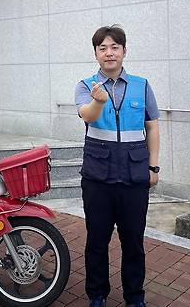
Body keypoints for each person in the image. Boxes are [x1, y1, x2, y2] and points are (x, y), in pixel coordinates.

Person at [74, 25, 160, 307]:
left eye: (114, 47)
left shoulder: (142, 85)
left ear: (124, 51)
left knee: (133, 242)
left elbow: (153, 126)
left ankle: (135, 297)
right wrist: (98, 102)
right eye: (102, 48)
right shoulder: (86, 86)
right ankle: (97, 295)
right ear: (96, 54)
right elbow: (86, 115)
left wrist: (154, 167)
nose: (109, 53)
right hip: (98, 178)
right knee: (97, 242)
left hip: (135, 176)